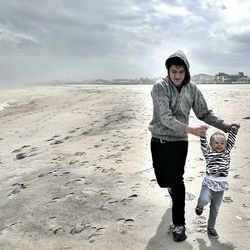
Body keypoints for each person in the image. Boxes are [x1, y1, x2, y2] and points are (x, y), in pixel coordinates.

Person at [148, 50, 237, 242]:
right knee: (164, 181)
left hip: (180, 142)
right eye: (174, 72)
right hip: (159, 139)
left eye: (181, 71)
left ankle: (179, 225)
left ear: (186, 70)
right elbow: (165, 118)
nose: (178, 76)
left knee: (177, 180)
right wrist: (191, 129)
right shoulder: (159, 87)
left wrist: (225, 126)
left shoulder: (192, 89)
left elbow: (204, 113)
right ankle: (170, 186)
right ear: (168, 71)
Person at [195, 125, 240, 239]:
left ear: (226, 145)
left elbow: (231, 141)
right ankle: (200, 207)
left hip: (220, 186)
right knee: (203, 199)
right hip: (209, 183)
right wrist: (203, 136)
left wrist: (233, 132)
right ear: (211, 144)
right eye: (216, 143)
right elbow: (204, 144)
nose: (219, 145)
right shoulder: (208, 152)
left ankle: (211, 228)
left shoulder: (226, 152)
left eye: (222, 143)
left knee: (215, 209)